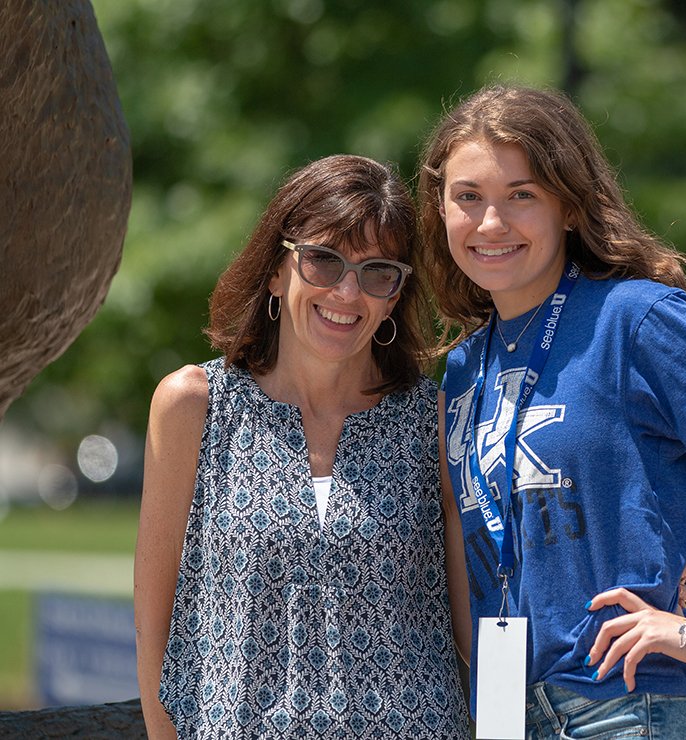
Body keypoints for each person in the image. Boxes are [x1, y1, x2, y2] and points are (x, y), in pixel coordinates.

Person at [418, 84, 686, 739]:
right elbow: (461, 526)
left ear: (568, 206)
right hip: (508, 718)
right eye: (468, 197)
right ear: (441, 208)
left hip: (632, 710)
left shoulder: (634, 318)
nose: (490, 224)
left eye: (521, 195)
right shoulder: (463, 368)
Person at [134, 154, 470, 739]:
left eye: (377, 272)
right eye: (322, 259)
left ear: (394, 297)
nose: (347, 290)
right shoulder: (193, 406)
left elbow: (474, 626)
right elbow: (152, 633)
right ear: (275, 271)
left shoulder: (436, 420)